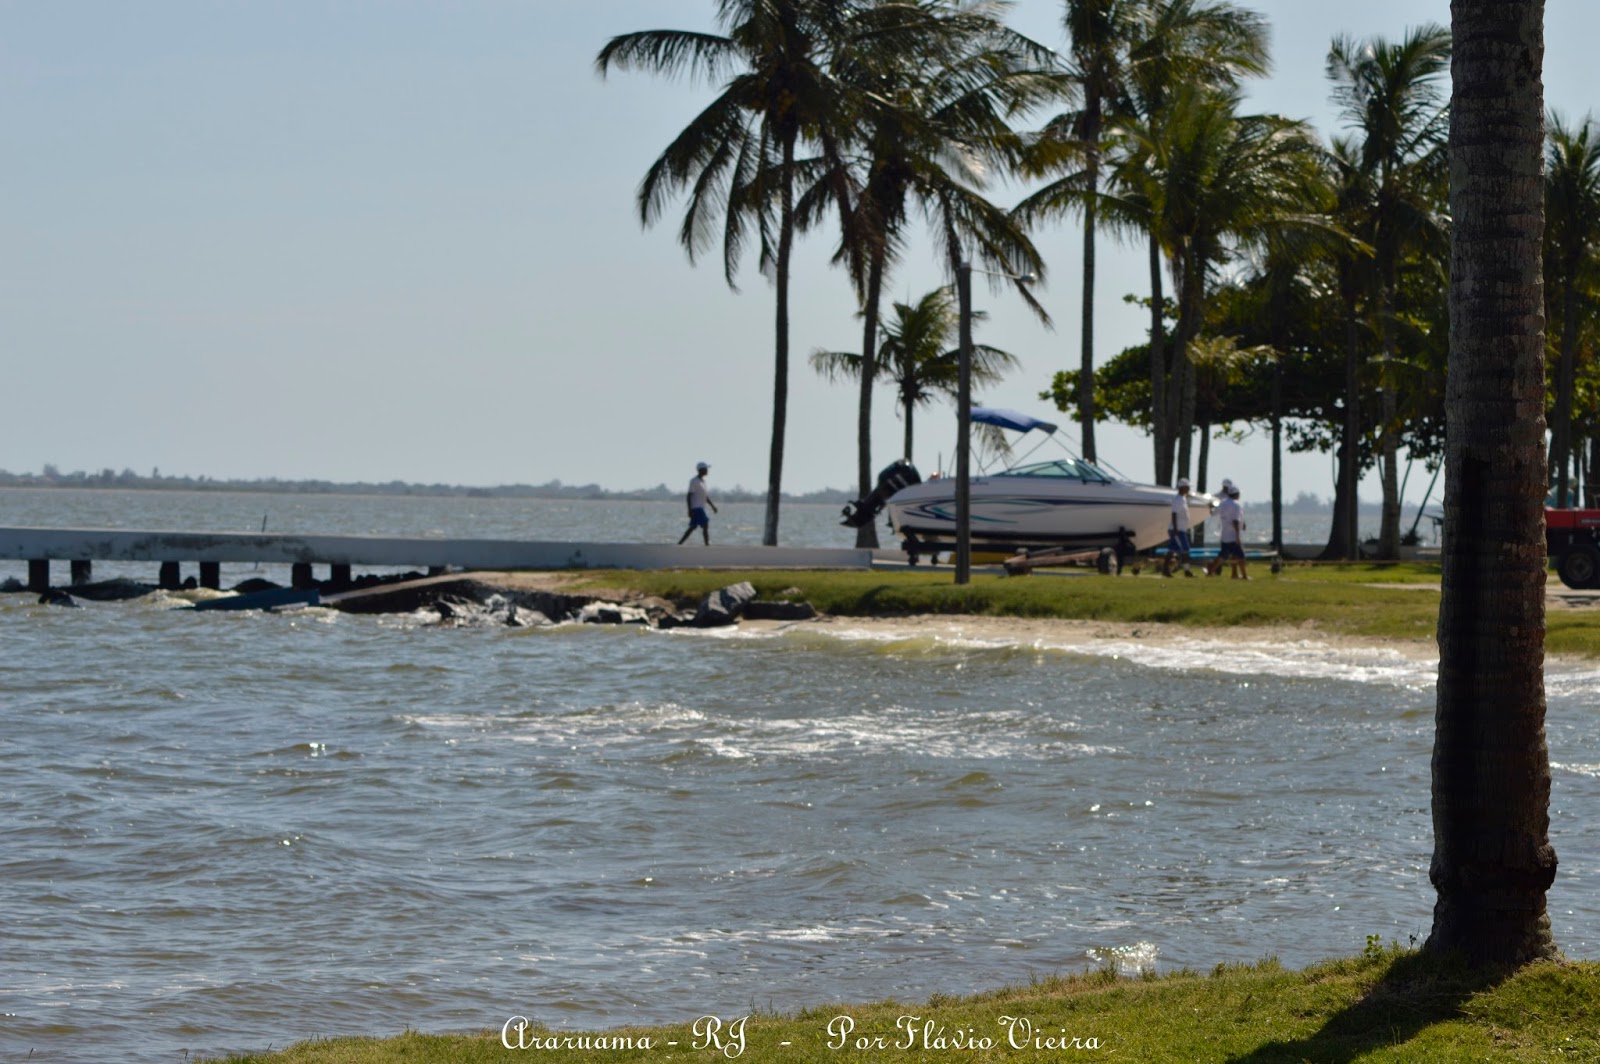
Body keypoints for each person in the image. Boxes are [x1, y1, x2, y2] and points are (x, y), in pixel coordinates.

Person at [1207, 480, 1248, 579]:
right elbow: (1235, 521)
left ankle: (1211, 572)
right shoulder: (1236, 506)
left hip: (1224, 535)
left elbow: (1212, 513)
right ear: (1236, 494)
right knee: (1240, 557)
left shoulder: (1222, 504)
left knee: (1223, 556)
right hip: (1233, 536)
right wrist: (1238, 536)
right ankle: (1244, 576)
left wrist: (1210, 506)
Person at [677, 461, 718, 545]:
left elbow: (705, 497)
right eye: (706, 469)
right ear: (701, 470)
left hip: (700, 508)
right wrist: (689, 510)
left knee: (692, 527)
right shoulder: (694, 481)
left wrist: (712, 506)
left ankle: (679, 544)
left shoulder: (703, 482)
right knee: (705, 524)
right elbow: (689, 496)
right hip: (696, 508)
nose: (707, 471)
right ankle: (707, 545)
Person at [1162, 478, 1196, 577]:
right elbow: (1174, 514)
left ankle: (1165, 570)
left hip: (1179, 529)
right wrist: (1176, 528)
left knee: (1171, 550)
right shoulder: (1178, 500)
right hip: (1177, 530)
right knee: (1185, 550)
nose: (1189, 489)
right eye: (1187, 487)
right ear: (1183, 488)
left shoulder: (1183, 498)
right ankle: (1187, 571)